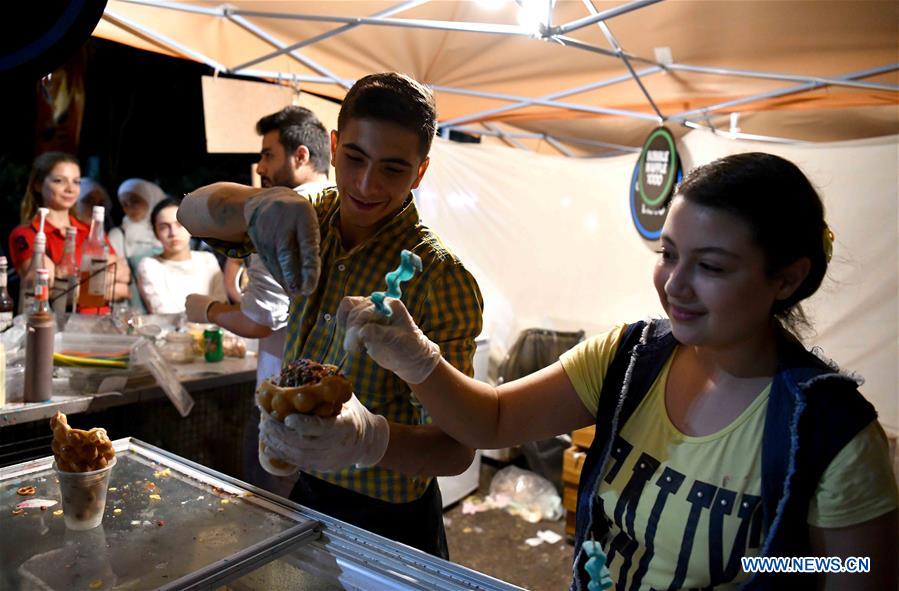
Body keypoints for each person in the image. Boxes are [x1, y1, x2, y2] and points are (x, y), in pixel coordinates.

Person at [336, 153, 898, 590]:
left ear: (787, 278)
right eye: (668, 254)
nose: (675, 285)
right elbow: (495, 420)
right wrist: (418, 360)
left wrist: (767, 563)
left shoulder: (830, 432)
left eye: (710, 266)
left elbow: (846, 569)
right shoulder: (630, 358)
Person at [178, 73, 484, 558]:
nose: (366, 185)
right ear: (335, 146)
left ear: (421, 172)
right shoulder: (307, 218)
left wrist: (369, 440)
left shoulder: (439, 277)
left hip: (393, 522)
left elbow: (457, 448)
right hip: (307, 496)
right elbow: (191, 213)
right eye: (356, 159)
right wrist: (256, 202)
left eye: (393, 169)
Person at [184, 105, 331, 497]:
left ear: (301, 156)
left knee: (272, 512)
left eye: (268, 154)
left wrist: (207, 309)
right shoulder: (338, 208)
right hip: (326, 395)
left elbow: (260, 321)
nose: (260, 167)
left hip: (281, 397)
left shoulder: (277, 215)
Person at [8, 152, 130, 309]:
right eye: (59, 181)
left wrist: (73, 285)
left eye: (76, 182)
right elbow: (48, 287)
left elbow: (123, 278)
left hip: (102, 323)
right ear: (38, 185)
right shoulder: (27, 234)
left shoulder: (90, 231)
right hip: (59, 326)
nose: (70, 189)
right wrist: (98, 285)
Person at [136, 198, 226, 314]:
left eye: (179, 224)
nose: (173, 233)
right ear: (156, 233)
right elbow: (163, 313)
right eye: (164, 227)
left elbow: (222, 305)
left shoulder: (207, 260)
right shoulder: (149, 265)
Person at [108, 178, 164, 263]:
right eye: (124, 204)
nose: (130, 207)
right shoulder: (118, 235)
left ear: (151, 199)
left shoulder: (168, 229)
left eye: (135, 201)